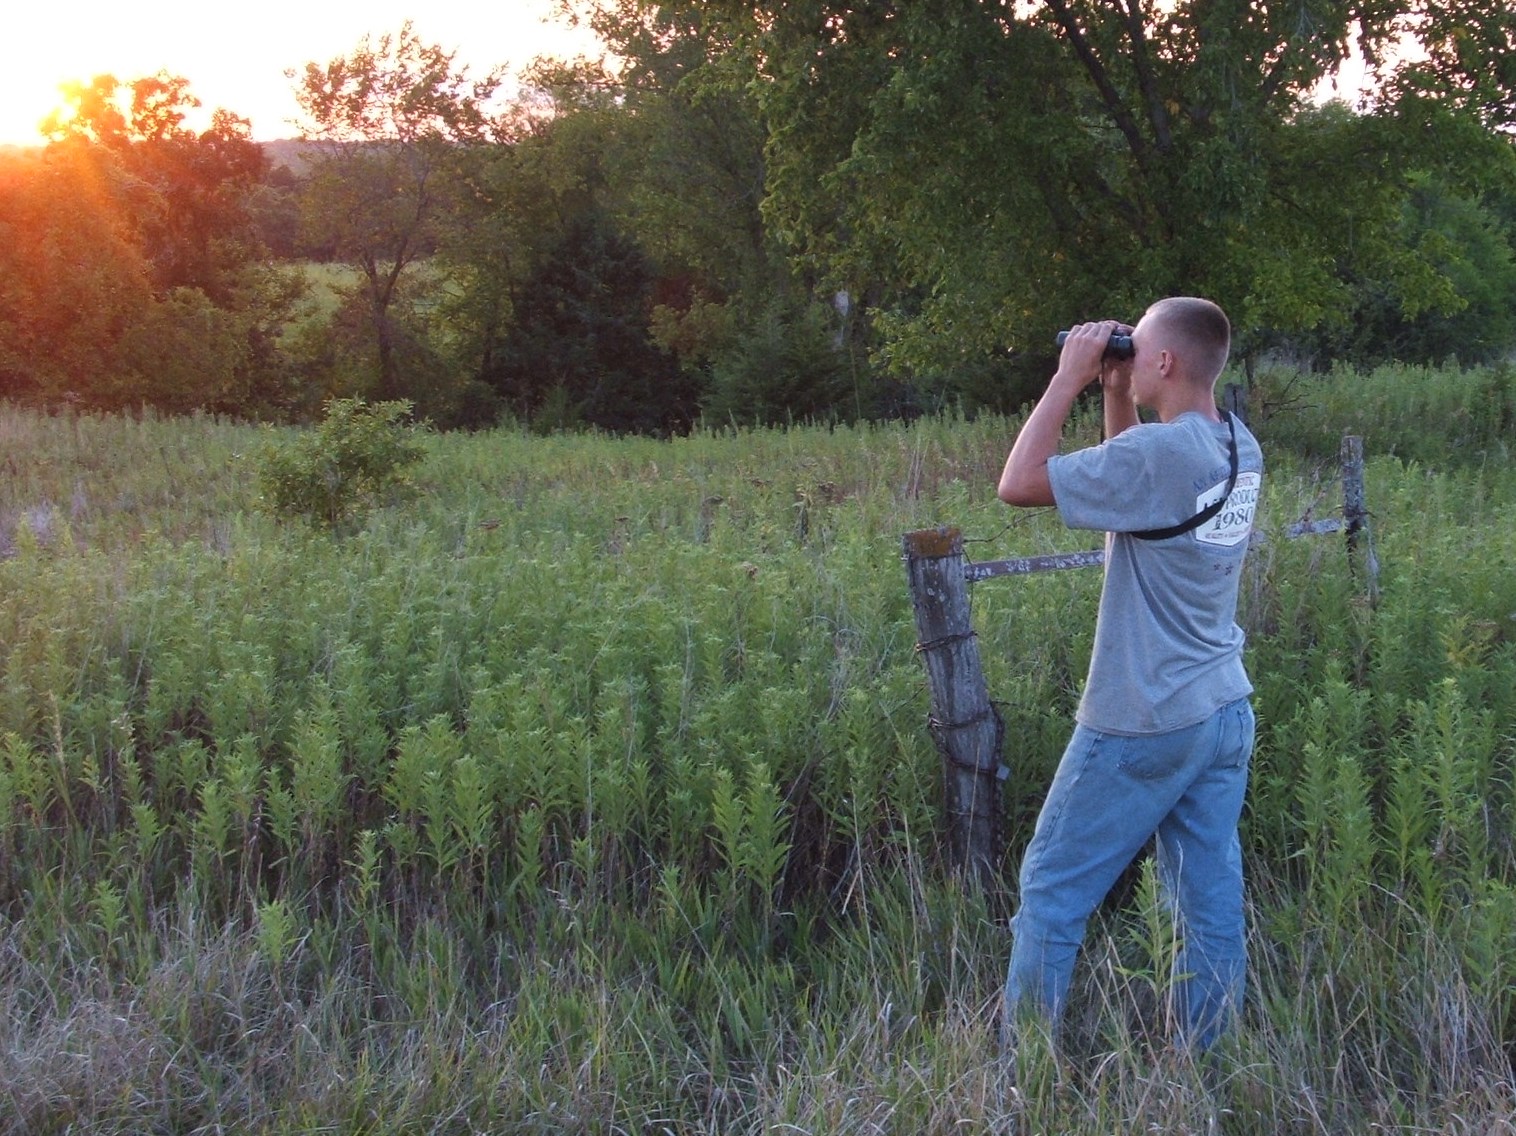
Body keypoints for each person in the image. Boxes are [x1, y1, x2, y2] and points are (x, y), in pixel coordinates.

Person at [995, 296, 1263, 1051]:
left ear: (1166, 362)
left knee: (1051, 894)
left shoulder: (1166, 456)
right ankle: (1208, 1063)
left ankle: (1029, 1075)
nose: (1127, 355)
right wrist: (1117, 392)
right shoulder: (1235, 444)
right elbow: (1132, 496)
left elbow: (1018, 482)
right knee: (1206, 901)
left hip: (1143, 718)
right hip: (1218, 710)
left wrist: (1069, 379)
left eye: (1135, 349)